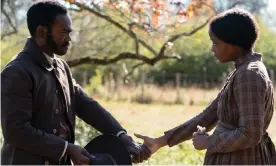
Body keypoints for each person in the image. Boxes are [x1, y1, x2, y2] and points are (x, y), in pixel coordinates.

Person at [1, 1, 150, 165]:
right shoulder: (17, 72)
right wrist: (66, 148)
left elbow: (86, 105)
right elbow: (16, 131)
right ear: (41, 32)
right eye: (64, 32)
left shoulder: (61, 67)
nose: (69, 39)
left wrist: (121, 135)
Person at [135, 8, 276, 165]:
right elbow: (208, 116)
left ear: (233, 44)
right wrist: (161, 141)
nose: (212, 49)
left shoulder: (250, 75)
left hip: (243, 160)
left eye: (216, 43)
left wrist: (209, 142)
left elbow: (250, 134)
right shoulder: (241, 71)